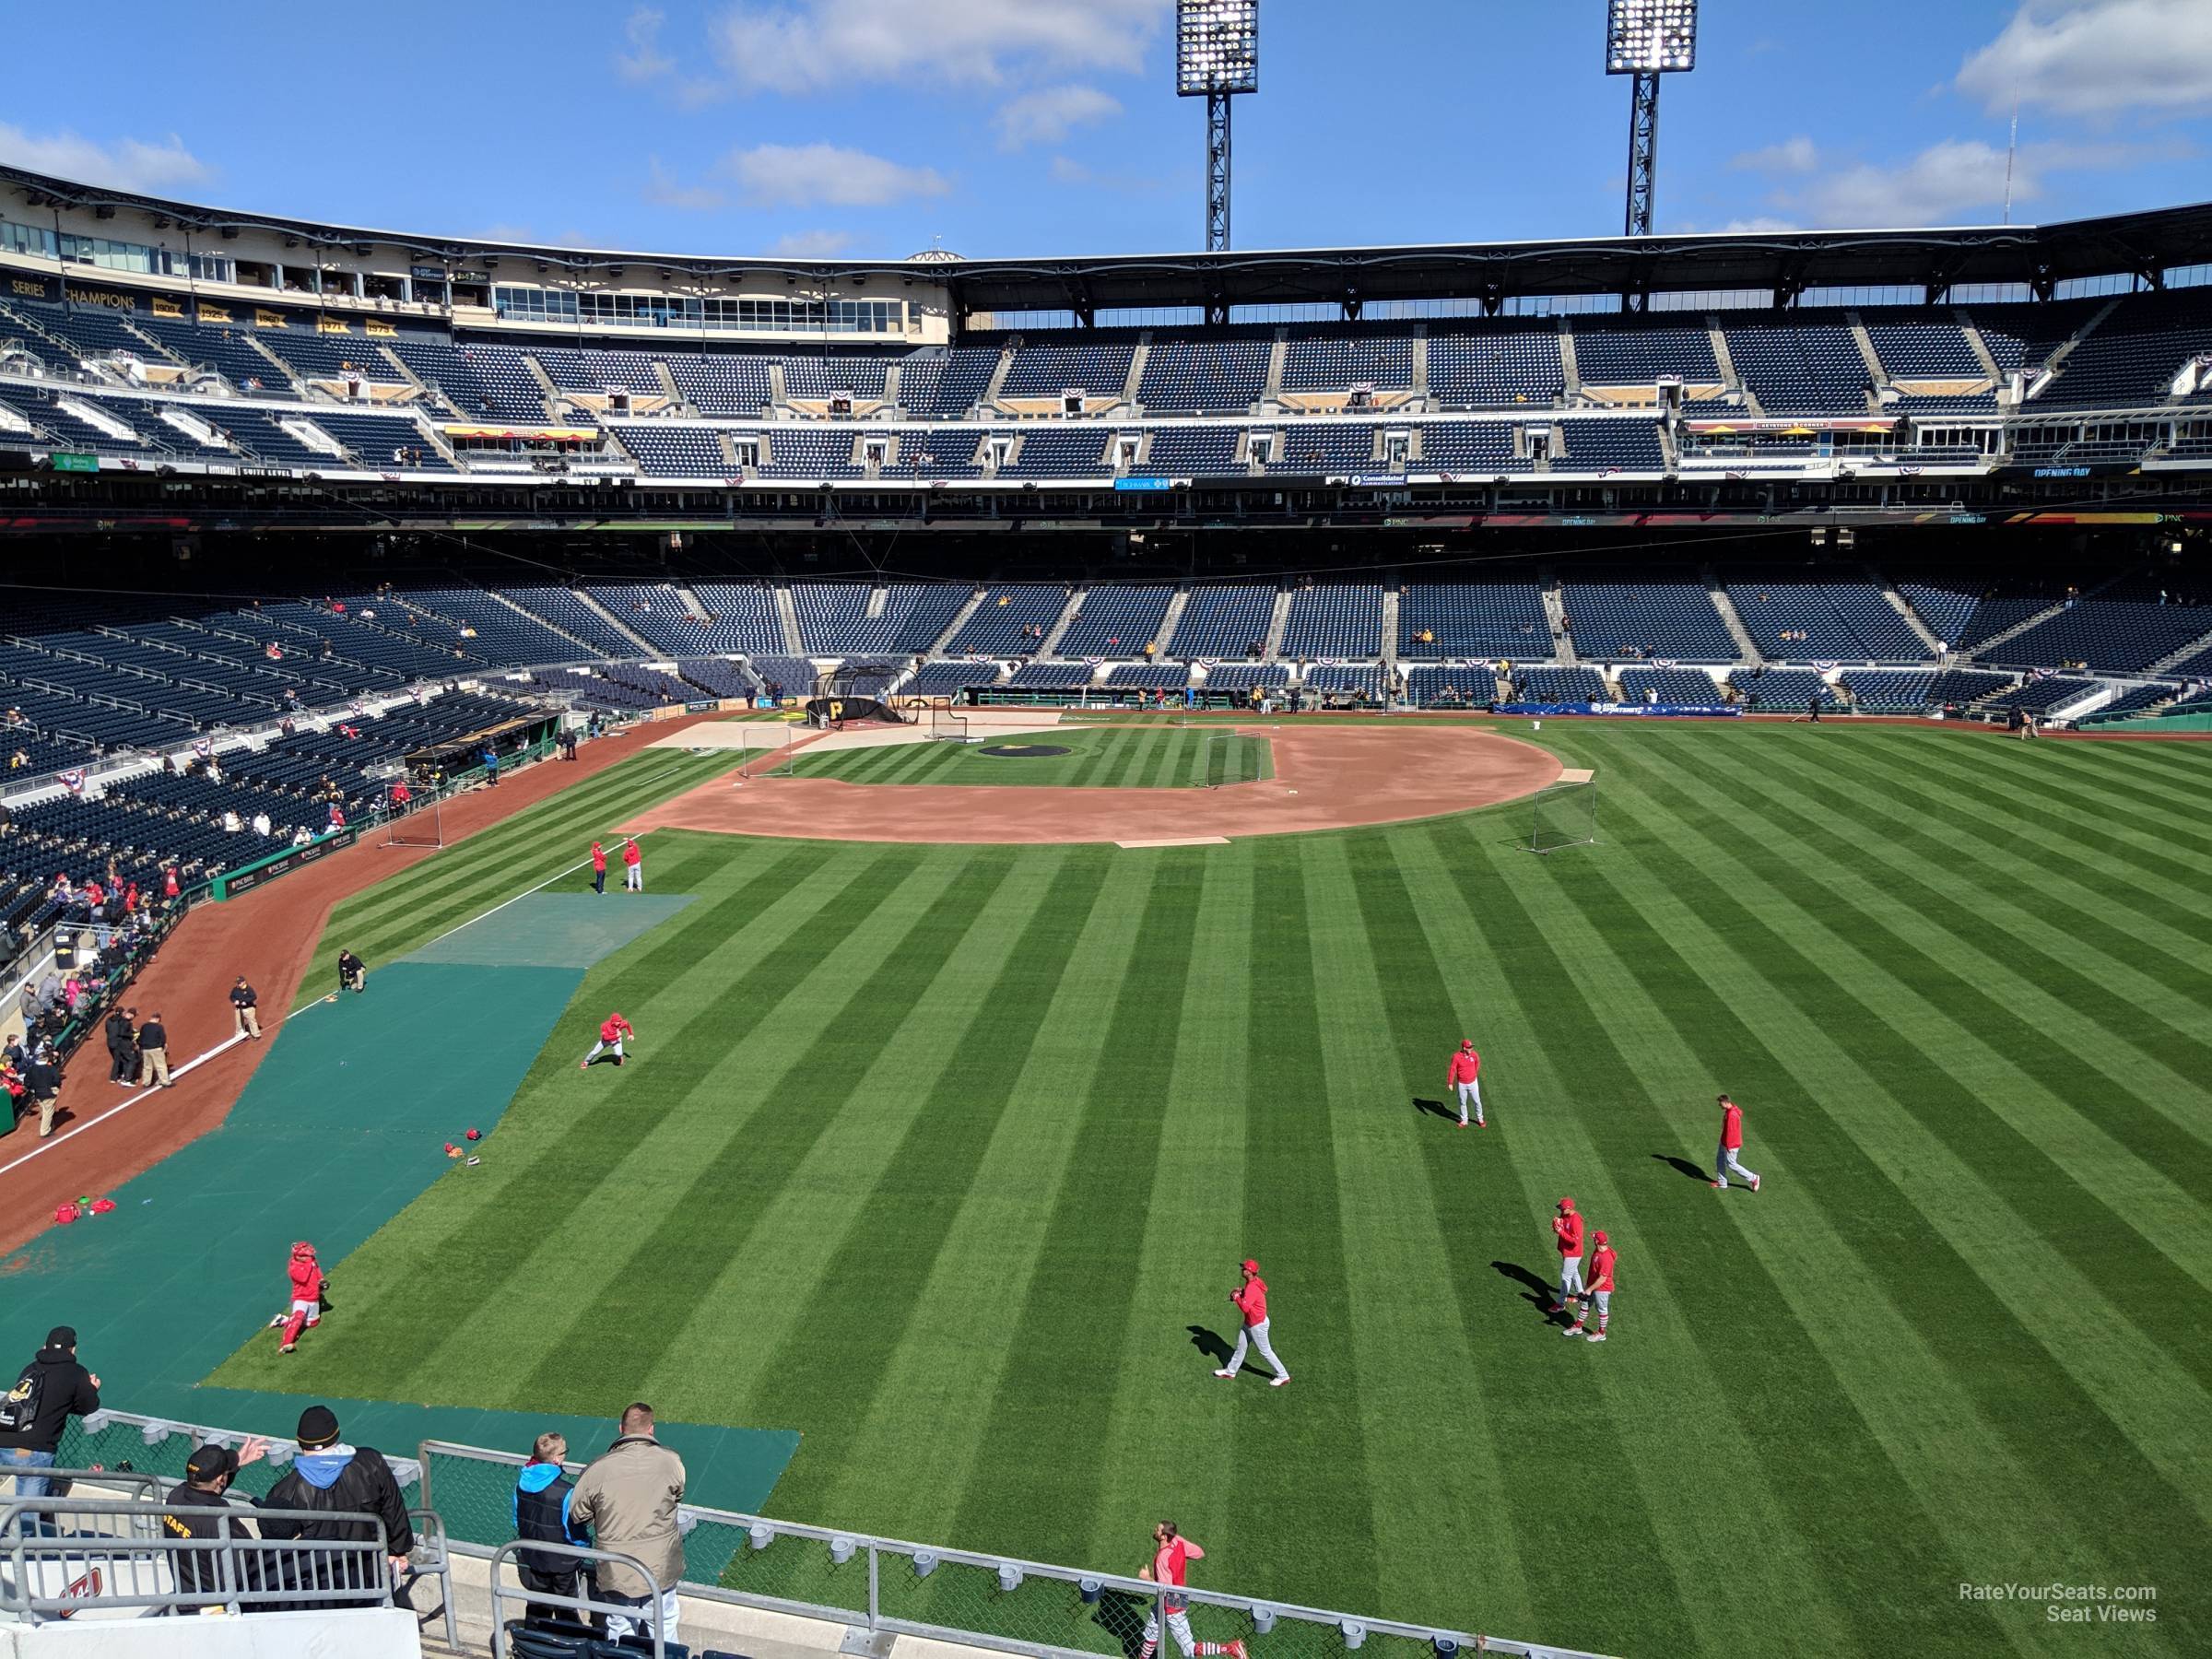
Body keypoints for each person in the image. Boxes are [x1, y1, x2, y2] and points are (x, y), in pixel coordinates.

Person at [258, 1405, 414, 1606]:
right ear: (336, 1435)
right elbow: (393, 1509)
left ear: (300, 1442)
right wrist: (397, 1550)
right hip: (370, 1575)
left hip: (319, 1589)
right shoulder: (370, 1462)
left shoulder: (285, 1490)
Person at [568, 1403, 686, 1645]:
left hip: (617, 1566)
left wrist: (601, 1516)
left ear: (621, 1429)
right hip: (660, 1564)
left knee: (621, 1624)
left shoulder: (597, 1468)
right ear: (651, 1429)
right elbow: (677, 1494)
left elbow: (577, 1513)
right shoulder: (671, 1461)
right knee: (663, 1623)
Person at [0, 1326, 101, 1518]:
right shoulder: (76, 1373)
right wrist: (92, 1388)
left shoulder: (31, 1368)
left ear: (45, 1346)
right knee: (27, 1514)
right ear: (73, 1349)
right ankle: (24, 1546)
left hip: (4, 1441)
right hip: (34, 1450)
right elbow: (89, 1406)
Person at [163, 1437, 271, 1600]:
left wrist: (236, 1463)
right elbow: (235, 1575)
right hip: (213, 1606)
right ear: (220, 1479)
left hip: (186, 1593)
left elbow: (207, 1492)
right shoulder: (219, 1521)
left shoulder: (176, 1497)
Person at [513, 1431, 594, 1625]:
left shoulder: (521, 1484)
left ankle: (530, 1647)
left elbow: (517, 1520)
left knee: (537, 1607)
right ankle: (568, 1650)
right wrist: (584, 1545)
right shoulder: (566, 1491)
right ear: (557, 1459)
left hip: (534, 1556)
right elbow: (572, 1531)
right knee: (566, 1610)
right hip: (563, 1562)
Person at [1136, 1523, 1246, 1659]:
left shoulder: (1162, 1559)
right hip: (1178, 1597)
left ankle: (1231, 1648)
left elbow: (1164, 1589)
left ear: (1164, 1536)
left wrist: (1146, 1578)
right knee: (1152, 1632)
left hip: (1170, 1604)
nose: (1155, 1530)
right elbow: (1200, 1553)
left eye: (1157, 1530)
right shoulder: (1178, 1541)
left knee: (1189, 1649)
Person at [1213, 1259, 1288, 1386]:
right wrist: (1243, 1292)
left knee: (1266, 1351)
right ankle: (1231, 1371)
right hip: (1250, 1322)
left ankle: (1283, 1375)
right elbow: (1262, 1290)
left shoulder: (1252, 1287)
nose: (1242, 1270)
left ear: (1249, 1272)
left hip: (1257, 1325)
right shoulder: (1254, 1282)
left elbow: (1245, 1308)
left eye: (1244, 1268)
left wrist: (1237, 1297)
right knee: (1241, 1348)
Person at [1564, 1231, 1617, 1343]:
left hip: (1602, 1288)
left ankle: (1601, 1333)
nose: (1593, 1240)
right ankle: (1578, 1326)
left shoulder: (1606, 1258)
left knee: (1602, 1310)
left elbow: (1602, 1279)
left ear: (1597, 1242)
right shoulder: (1599, 1250)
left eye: (1594, 1238)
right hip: (1592, 1284)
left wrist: (1588, 1290)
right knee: (1585, 1304)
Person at [279, 1242, 323, 1354]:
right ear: (297, 1256)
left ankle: (283, 1320)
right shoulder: (293, 1266)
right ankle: (286, 1344)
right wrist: (310, 1264)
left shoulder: (312, 1261)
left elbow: (318, 1274)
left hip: (314, 1297)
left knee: (312, 1323)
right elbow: (303, 1278)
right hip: (301, 1297)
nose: (309, 1257)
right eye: (306, 1256)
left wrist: (322, 1282)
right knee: (298, 1317)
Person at [1713, 1094, 1761, 1192]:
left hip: (1730, 1144)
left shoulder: (1732, 1115)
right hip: (1724, 1142)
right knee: (1720, 1159)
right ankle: (1722, 1182)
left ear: (1726, 1102)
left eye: (1720, 1103)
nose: (1719, 1105)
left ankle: (1753, 1178)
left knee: (1731, 1164)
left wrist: (1729, 1146)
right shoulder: (1731, 1109)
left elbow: (1732, 1132)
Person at [1548, 1197, 1585, 1319]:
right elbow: (1562, 1226)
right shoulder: (1564, 1214)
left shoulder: (1576, 1221)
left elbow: (1575, 1241)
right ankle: (1581, 1294)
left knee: (1566, 1276)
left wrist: (1560, 1231)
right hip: (1567, 1251)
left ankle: (1560, 1304)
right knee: (1574, 1272)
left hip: (1573, 1253)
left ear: (1569, 1208)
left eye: (1562, 1209)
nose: (1561, 1210)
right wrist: (1558, 1225)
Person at [1445, 1039, 1484, 1129]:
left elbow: (1477, 1062)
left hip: (1473, 1082)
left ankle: (1480, 1119)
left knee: (1477, 1101)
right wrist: (1450, 1082)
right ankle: (1464, 1120)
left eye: (1471, 1047)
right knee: (1462, 1102)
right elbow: (1453, 1069)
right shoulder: (1456, 1057)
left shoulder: (1474, 1055)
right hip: (1462, 1084)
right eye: (1469, 1047)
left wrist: (1474, 1072)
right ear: (1464, 1048)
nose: (1471, 1049)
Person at [24, 1044, 61, 1138]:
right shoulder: (50, 1068)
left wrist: (32, 1089)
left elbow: (27, 1081)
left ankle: (50, 1126)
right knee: (48, 1111)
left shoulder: (32, 1069)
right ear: (46, 1059)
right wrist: (56, 1088)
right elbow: (57, 1080)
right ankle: (44, 1131)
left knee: (45, 1109)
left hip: (37, 1093)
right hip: (49, 1092)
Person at [137, 1010, 173, 1088]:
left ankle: (146, 1083)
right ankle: (165, 1082)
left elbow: (140, 1038)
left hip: (145, 1049)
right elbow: (163, 1038)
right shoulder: (159, 1027)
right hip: (156, 1049)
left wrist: (141, 1048)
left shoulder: (144, 1026)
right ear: (157, 1019)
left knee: (147, 1066)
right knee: (161, 1065)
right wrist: (162, 1046)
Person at [105, 1006, 137, 1085]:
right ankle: (120, 1077)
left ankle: (116, 1076)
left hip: (109, 1042)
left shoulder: (108, 1020)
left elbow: (107, 1030)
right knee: (121, 1059)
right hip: (118, 1042)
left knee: (117, 1059)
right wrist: (131, 1034)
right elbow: (121, 1032)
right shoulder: (121, 1021)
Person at [231, 976, 262, 1041]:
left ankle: (256, 1035)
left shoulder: (249, 989)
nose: (238, 984)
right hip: (239, 1008)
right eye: (237, 983)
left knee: (251, 1021)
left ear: (244, 982)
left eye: (239, 983)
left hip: (249, 1008)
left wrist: (246, 1001)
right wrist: (234, 1001)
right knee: (239, 1022)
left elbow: (254, 997)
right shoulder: (235, 989)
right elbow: (231, 996)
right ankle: (239, 1036)